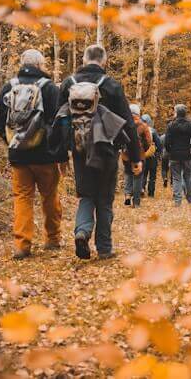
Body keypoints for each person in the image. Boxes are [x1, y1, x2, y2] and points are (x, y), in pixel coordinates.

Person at [57, 45, 142, 260]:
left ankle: (82, 232)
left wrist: (61, 156)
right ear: (103, 62)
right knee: (104, 198)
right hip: (106, 151)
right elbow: (128, 125)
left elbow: (57, 121)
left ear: (84, 59)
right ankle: (104, 249)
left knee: (86, 195)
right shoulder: (111, 85)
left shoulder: (69, 83)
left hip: (79, 149)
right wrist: (135, 157)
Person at [0, 49, 66, 260]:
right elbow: (59, 123)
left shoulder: (10, 86)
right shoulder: (50, 88)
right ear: (41, 65)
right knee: (50, 196)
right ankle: (52, 239)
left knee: (22, 198)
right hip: (45, 155)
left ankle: (22, 245)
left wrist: (13, 142)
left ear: (22, 63)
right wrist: (60, 154)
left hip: (19, 156)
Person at [165, 104, 191, 206]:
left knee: (176, 178)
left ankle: (178, 201)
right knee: (188, 177)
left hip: (174, 155)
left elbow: (166, 142)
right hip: (187, 154)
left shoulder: (171, 125)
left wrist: (170, 151)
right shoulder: (190, 125)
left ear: (176, 113)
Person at [122, 104, 154, 207]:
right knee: (137, 177)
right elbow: (149, 142)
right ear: (138, 113)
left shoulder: (123, 123)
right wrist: (143, 151)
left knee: (127, 173)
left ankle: (127, 195)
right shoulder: (143, 126)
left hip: (126, 155)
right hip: (139, 155)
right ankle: (136, 202)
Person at [141, 114, 162, 197]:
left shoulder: (139, 130)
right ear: (149, 122)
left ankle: (142, 188)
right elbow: (159, 144)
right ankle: (151, 192)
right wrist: (158, 153)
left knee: (143, 174)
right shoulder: (153, 131)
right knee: (152, 176)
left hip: (142, 155)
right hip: (152, 156)